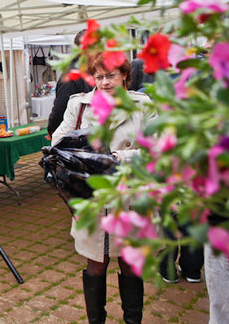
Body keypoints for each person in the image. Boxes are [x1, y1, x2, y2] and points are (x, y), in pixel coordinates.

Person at [51, 53, 153, 324]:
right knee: (96, 263)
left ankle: (133, 320)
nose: (104, 82)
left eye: (110, 76)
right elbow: (59, 140)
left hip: (128, 197)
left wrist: (119, 157)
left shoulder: (141, 106)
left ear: (124, 75)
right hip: (91, 198)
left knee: (129, 264)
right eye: (99, 77)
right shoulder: (80, 105)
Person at [47, 30, 93, 137]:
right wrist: (53, 129)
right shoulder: (72, 75)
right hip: (76, 134)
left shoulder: (93, 71)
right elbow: (60, 107)